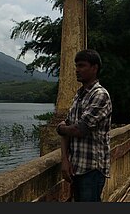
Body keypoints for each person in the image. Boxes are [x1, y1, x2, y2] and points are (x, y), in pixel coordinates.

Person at [55, 49, 112, 202]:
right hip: (77, 168)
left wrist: (60, 129)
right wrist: (65, 160)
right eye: (76, 66)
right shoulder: (79, 96)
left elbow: (80, 130)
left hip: (92, 169)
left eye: (82, 66)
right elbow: (69, 129)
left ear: (94, 68)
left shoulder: (100, 95)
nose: (77, 70)